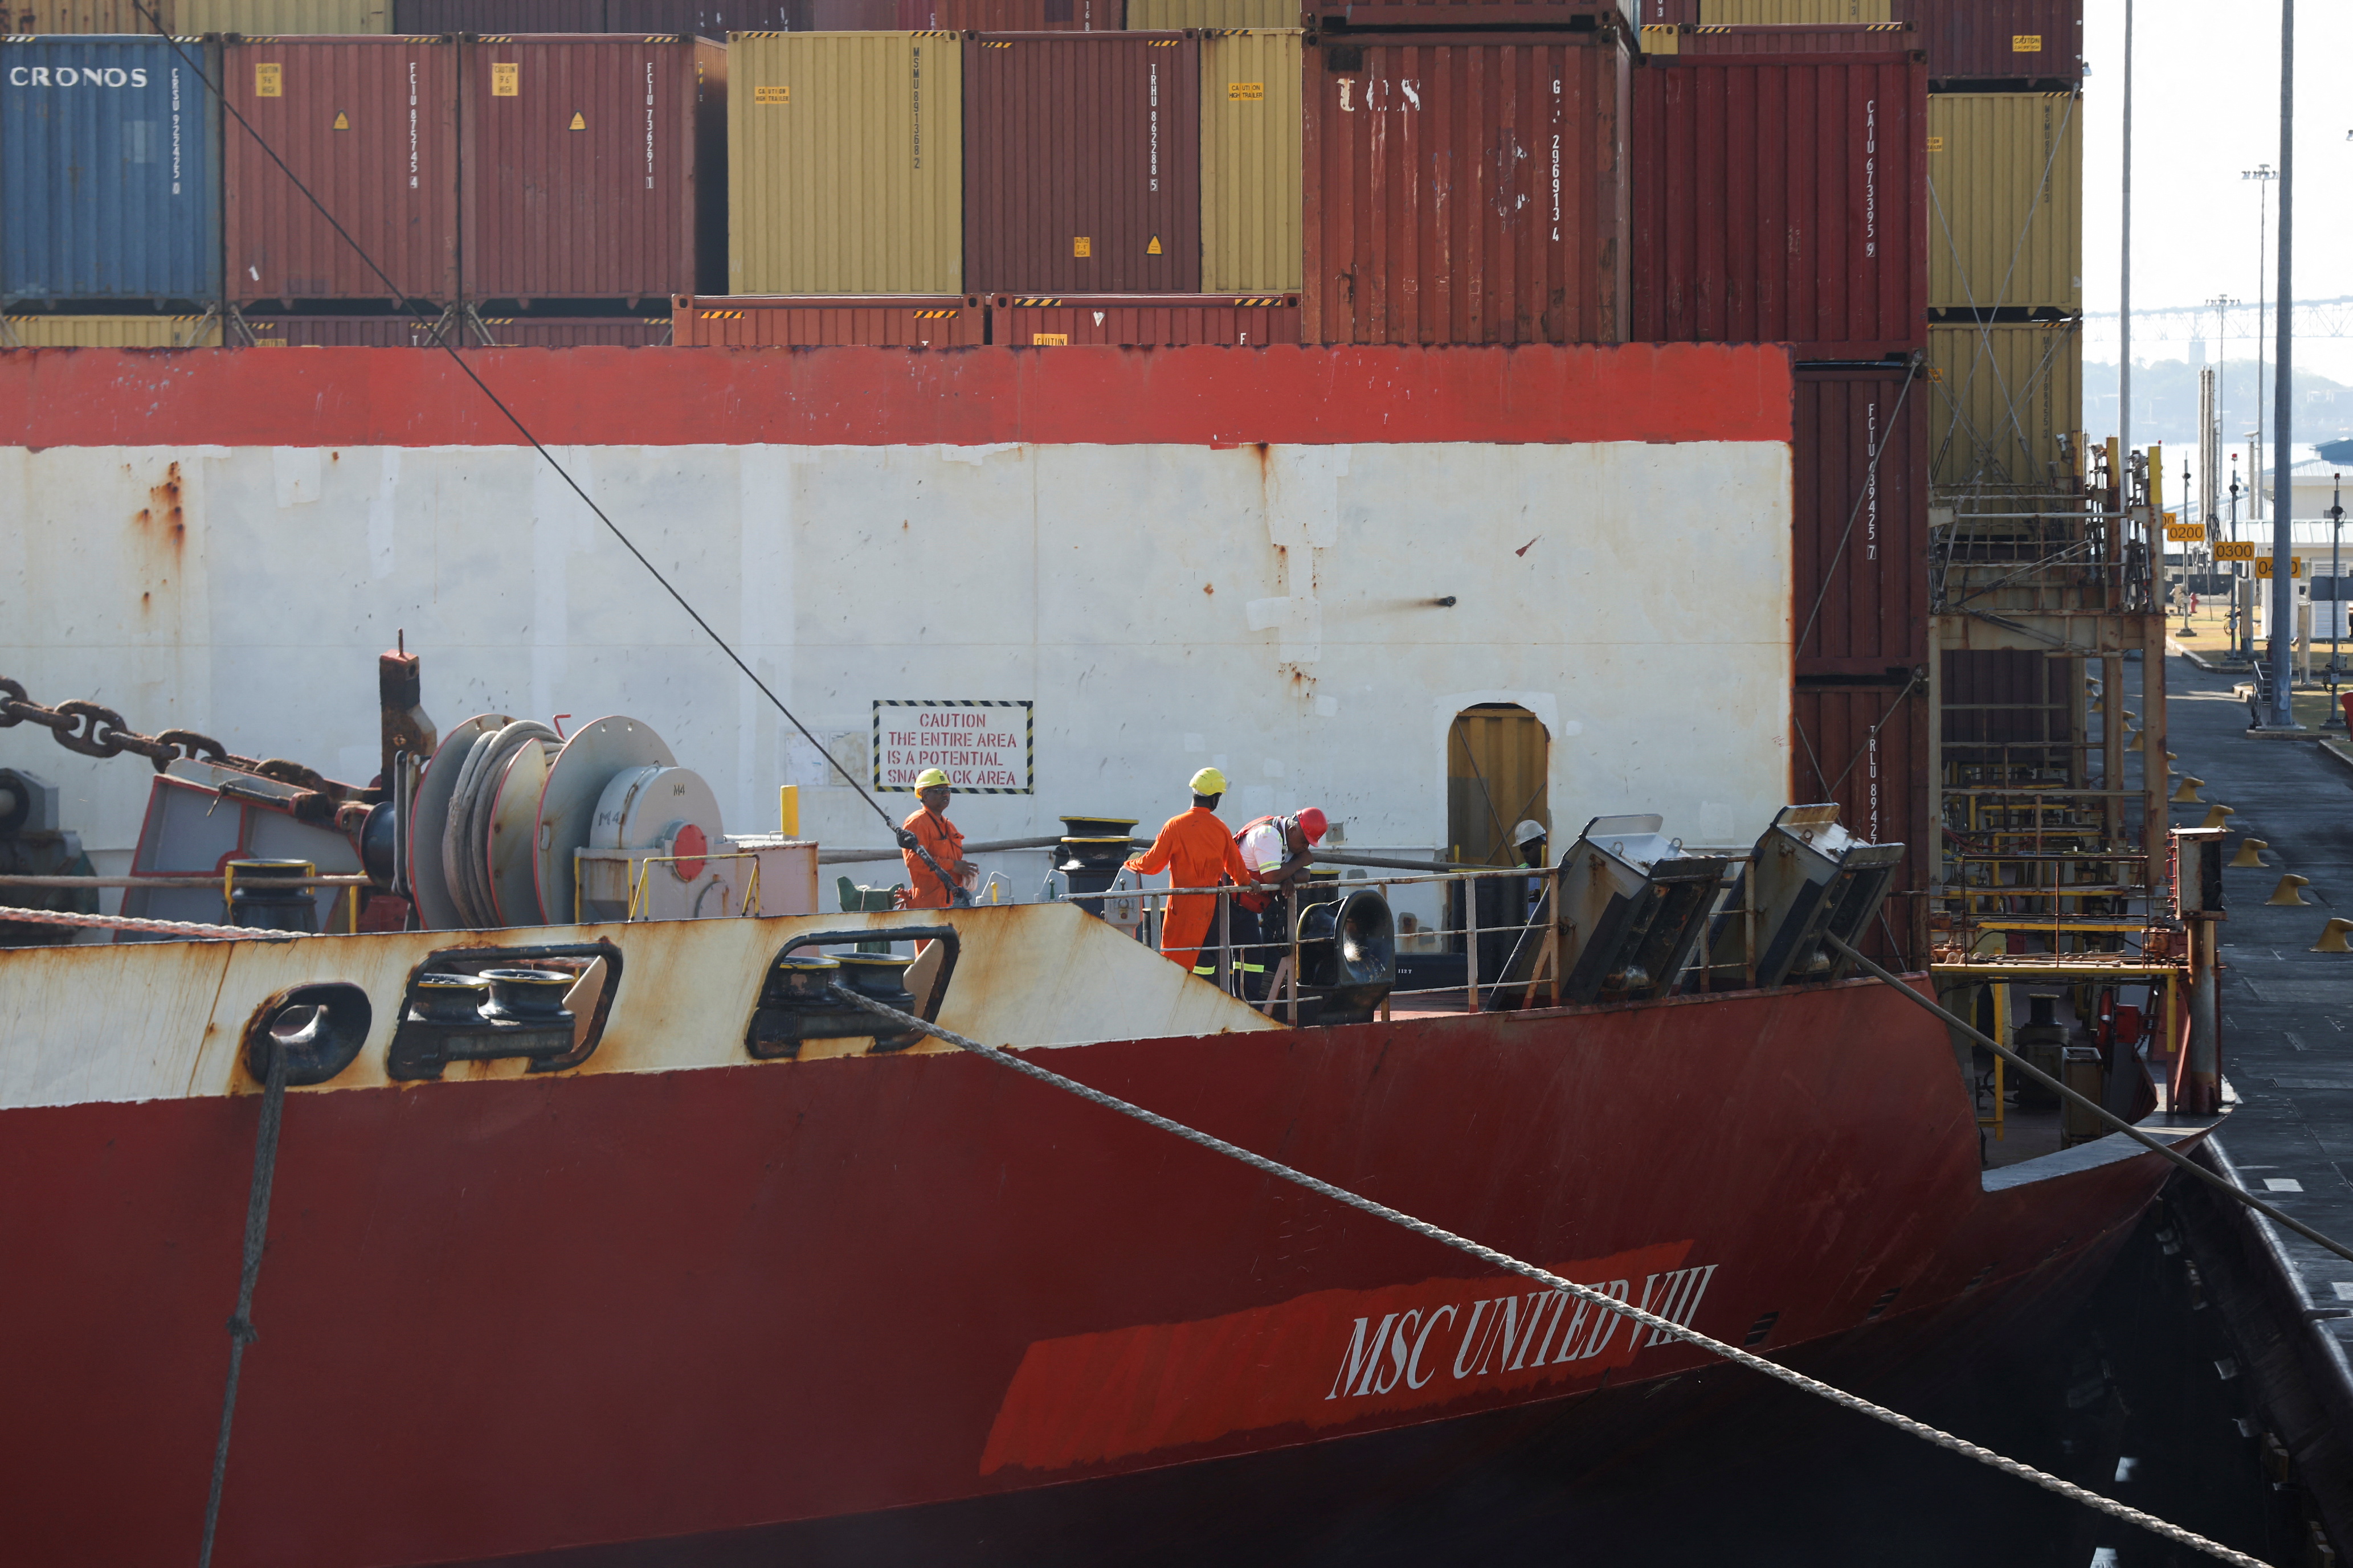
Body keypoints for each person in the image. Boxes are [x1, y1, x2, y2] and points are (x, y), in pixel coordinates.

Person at [1125, 767, 1256, 977]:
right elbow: (1239, 874)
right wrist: (1251, 882)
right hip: (1210, 908)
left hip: (1182, 907)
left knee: (1175, 964)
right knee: (1205, 965)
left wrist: (1130, 864)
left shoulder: (1175, 826)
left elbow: (1152, 865)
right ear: (1215, 799)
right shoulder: (1221, 828)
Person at [1231, 808, 1329, 997]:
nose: (1305, 849)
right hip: (1225, 901)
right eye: (1304, 842)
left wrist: (1288, 876)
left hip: (1245, 906)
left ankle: (1247, 1005)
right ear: (1293, 829)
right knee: (1210, 956)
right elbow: (1272, 876)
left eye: (1309, 845)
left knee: (1251, 957)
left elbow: (1304, 876)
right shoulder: (1268, 835)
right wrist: (1290, 870)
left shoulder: (1293, 842)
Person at [898, 768, 977, 912]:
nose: (945, 794)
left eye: (947, 790)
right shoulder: (917, 822)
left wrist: (965, 870)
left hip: (953, 903)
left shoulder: (949, 825)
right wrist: (953, 865)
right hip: (929, 906)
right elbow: (914, 861)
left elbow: (950, 859)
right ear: (924, 794)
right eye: (939, 791)